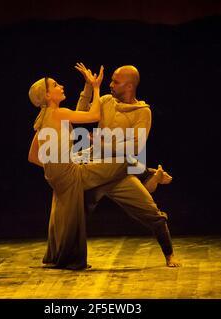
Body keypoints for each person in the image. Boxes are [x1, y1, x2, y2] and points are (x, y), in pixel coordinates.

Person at [75, 63, 181, 267]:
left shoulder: (142, 111)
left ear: (129, 86)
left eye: (116, 81)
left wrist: (104, 143)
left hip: (118, 173)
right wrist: (89, 87)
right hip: (96, 169)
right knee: (77, 214)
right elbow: (81, 113)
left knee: (152, 213)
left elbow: (136, 144)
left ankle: (169, 255)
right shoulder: (105, 100)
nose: (110, 84)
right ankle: (70, 256)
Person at [28, 66, 132, 270]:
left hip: (57, 174)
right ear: (48, 95)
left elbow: (32, 156)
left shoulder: (42, 119)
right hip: (67, 173)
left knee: (62, 214)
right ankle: (70, 260)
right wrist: (95, 87)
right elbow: (93, 115)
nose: (61, 86)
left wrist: (54, 167)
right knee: (122, 163)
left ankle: (57, 257)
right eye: (56, 85)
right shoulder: (59, 113)